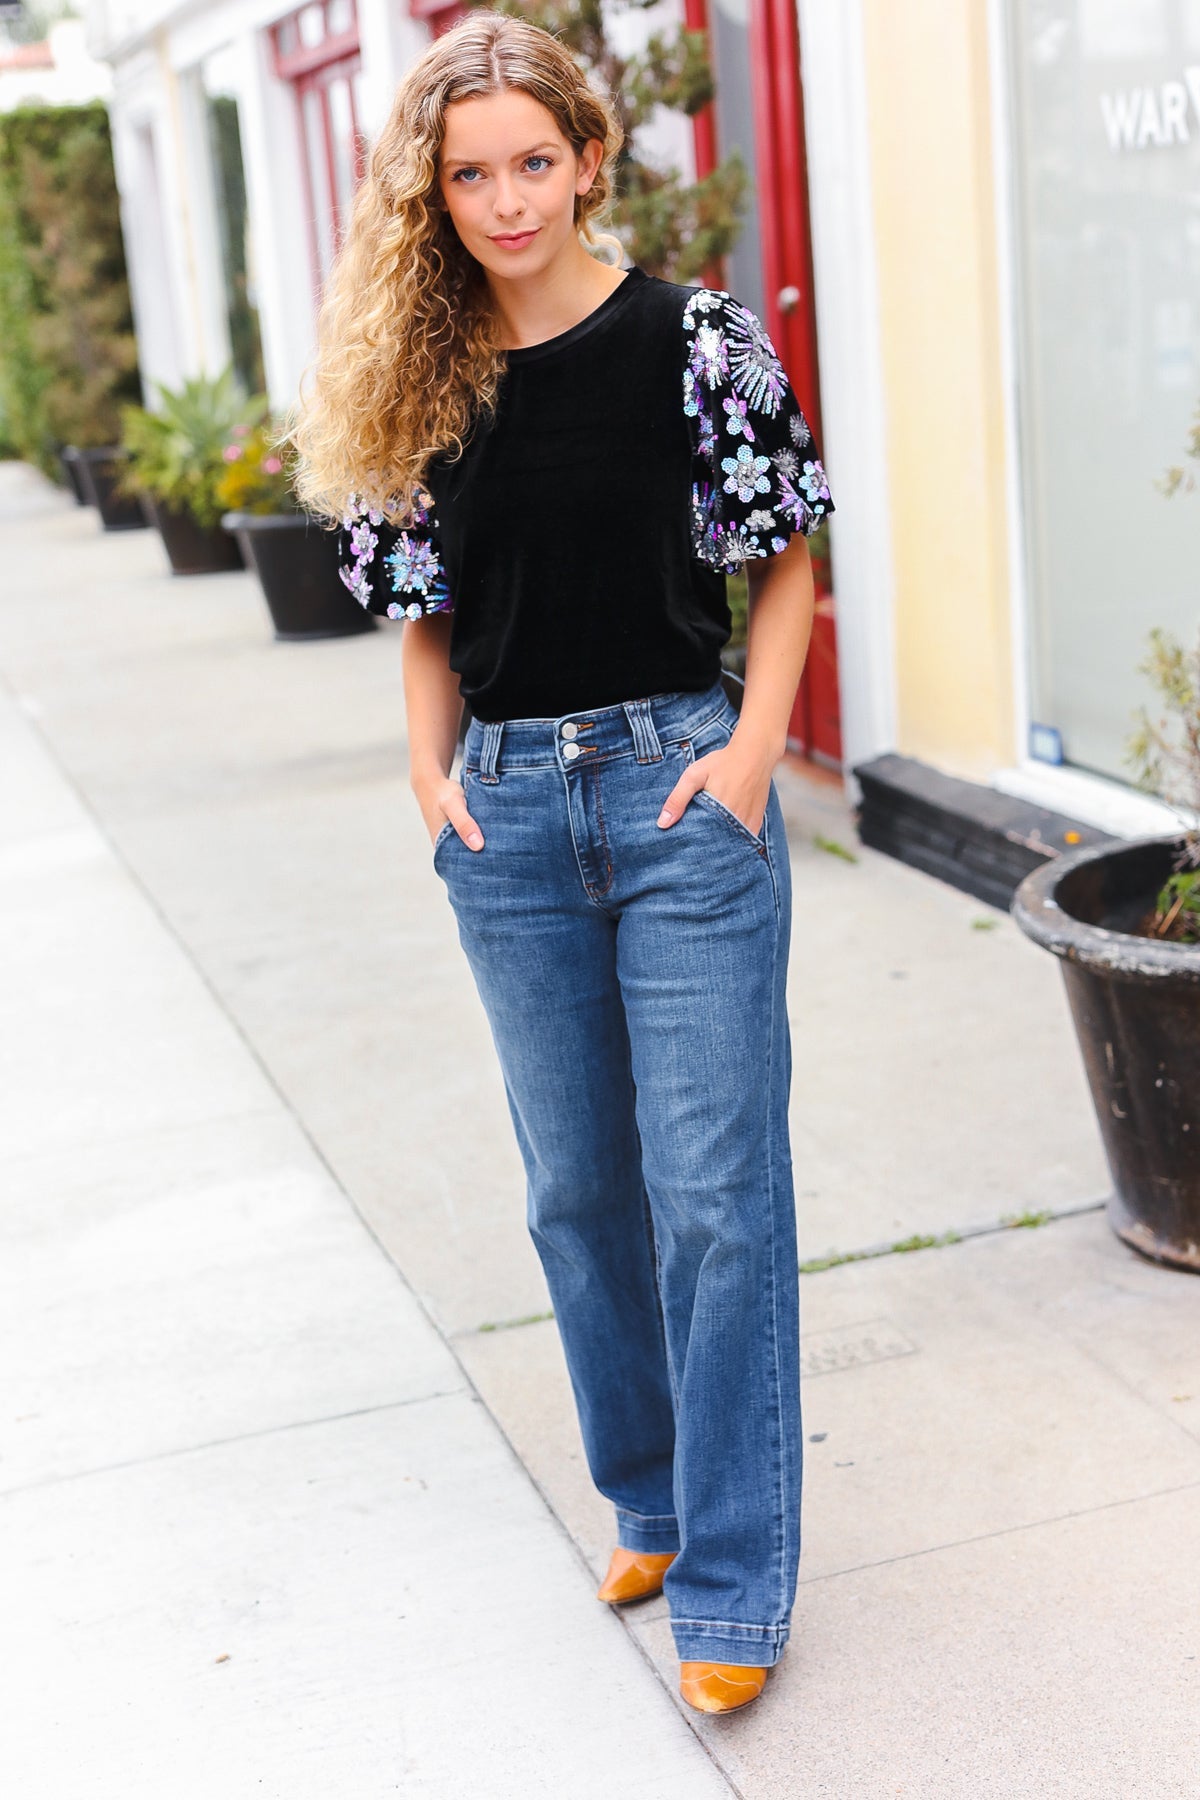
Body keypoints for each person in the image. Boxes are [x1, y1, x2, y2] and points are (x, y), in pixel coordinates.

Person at [293, 9, 834, 1716]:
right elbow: (426, 620)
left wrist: (751, 759)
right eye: (471, 175)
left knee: (718, 1201)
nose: (509, 200)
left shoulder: (700, 344)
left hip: (686, 798)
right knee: (579, 1197)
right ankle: (654, 1496)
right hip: (510, 817)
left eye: (536, 162)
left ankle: (737, 1581)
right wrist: (428, 777)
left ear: (592, 161)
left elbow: (787, 566)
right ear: (433, 197)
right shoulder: (422, 380)